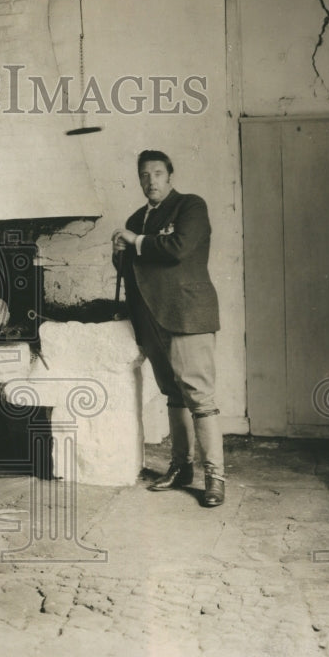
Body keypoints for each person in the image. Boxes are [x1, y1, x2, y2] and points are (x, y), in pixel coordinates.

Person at [111, 150, 225, 507]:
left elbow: (177, 249)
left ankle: (215, 478)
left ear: (170, 175)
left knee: (199, 399)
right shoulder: (135, 218)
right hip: (151, 319)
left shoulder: (190, 206)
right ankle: (181, 467)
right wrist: (120, 255)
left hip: (188, 315)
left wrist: (135, 242)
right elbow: (136, 271)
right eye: (145, 175)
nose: (151, 181)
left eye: (158, 173)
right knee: (173, 395)